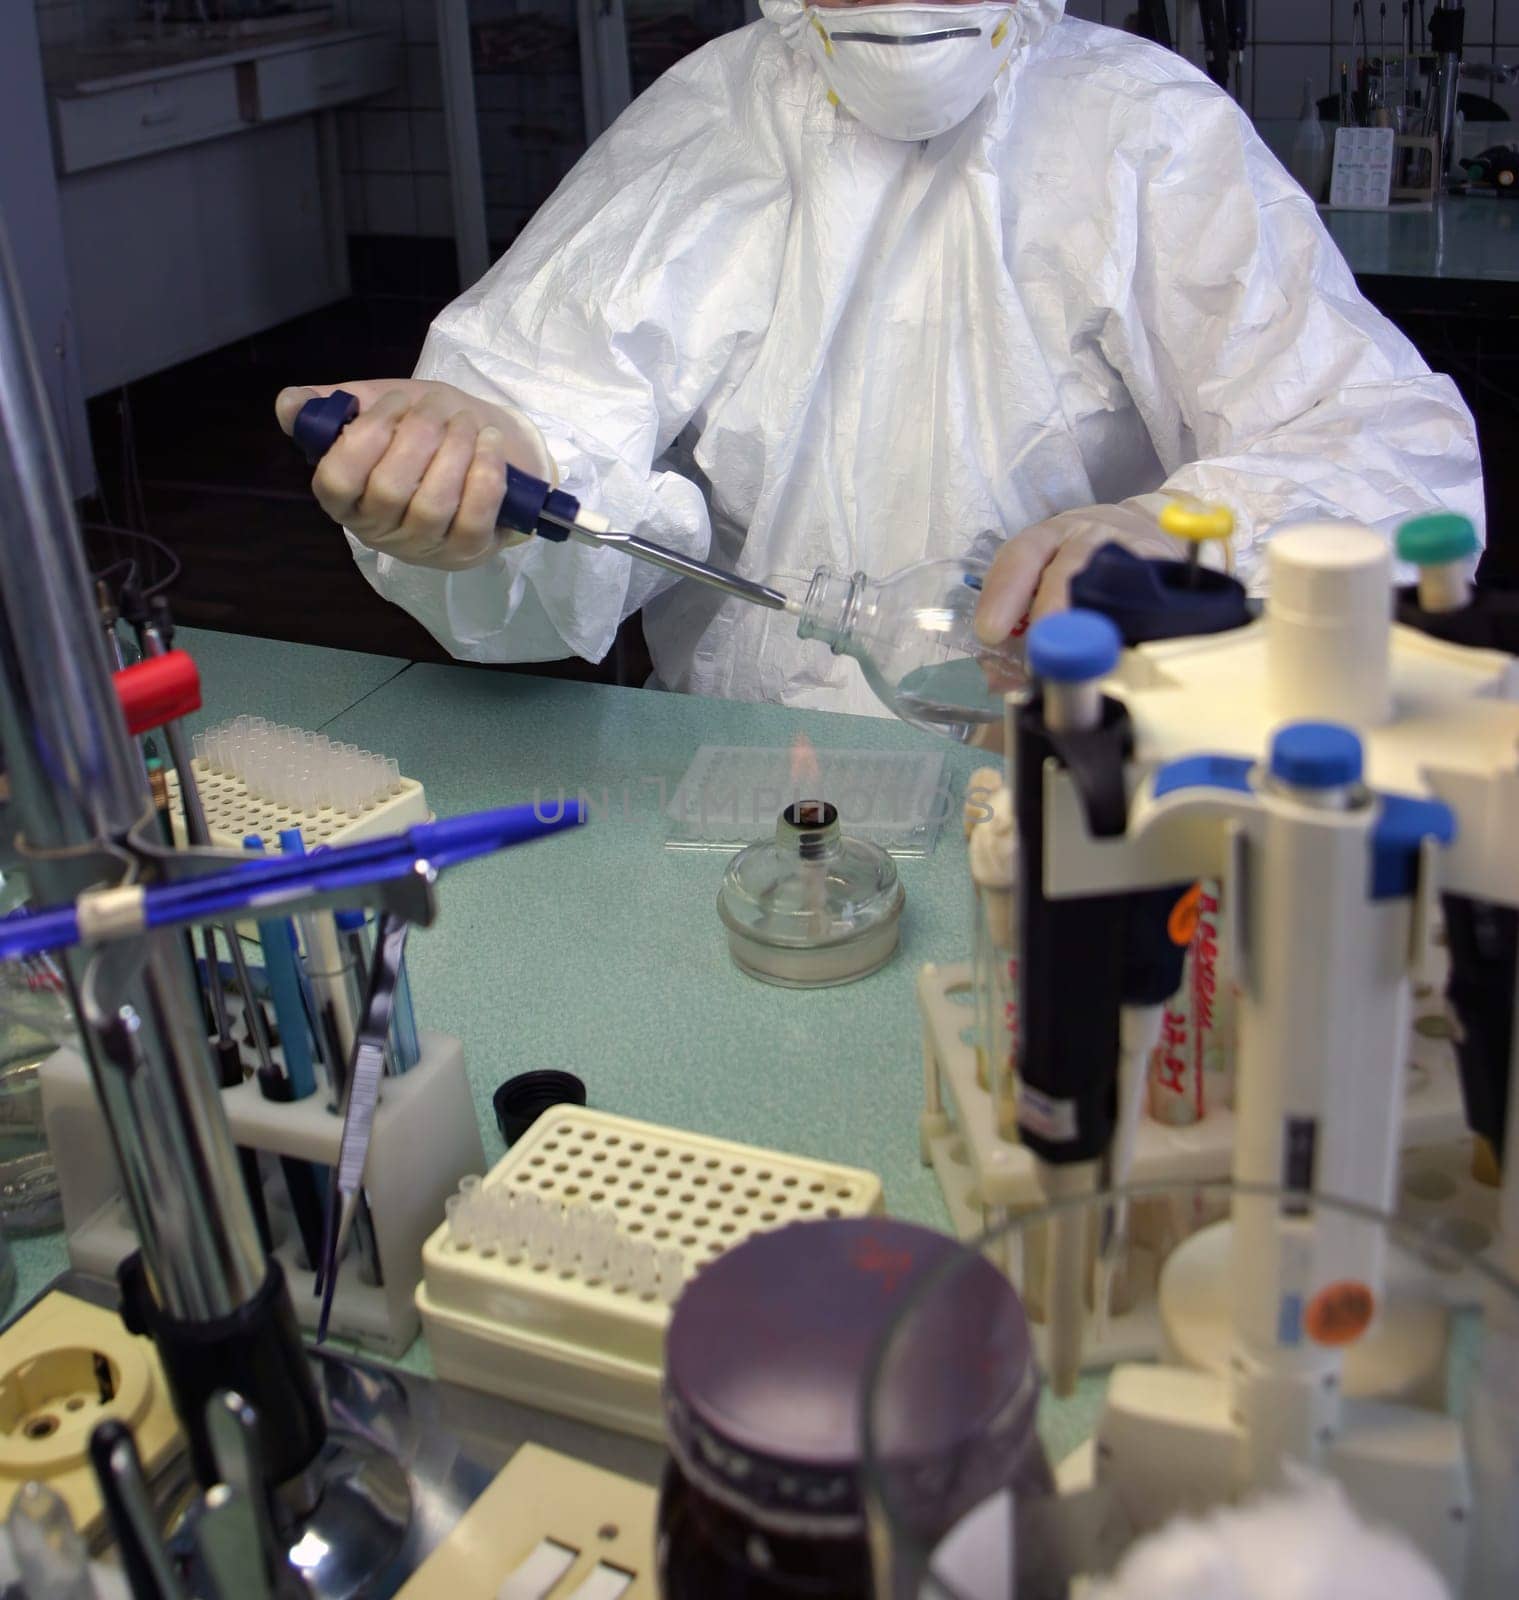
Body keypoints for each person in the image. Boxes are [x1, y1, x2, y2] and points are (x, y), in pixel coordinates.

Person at [278, 0, 1483, 719]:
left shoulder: (1143, 130)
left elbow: (1385, 451)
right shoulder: (709, 120)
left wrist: (1177, 534)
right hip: (736, 791)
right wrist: (476, 476)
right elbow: (528, 418)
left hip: (1077, 787)